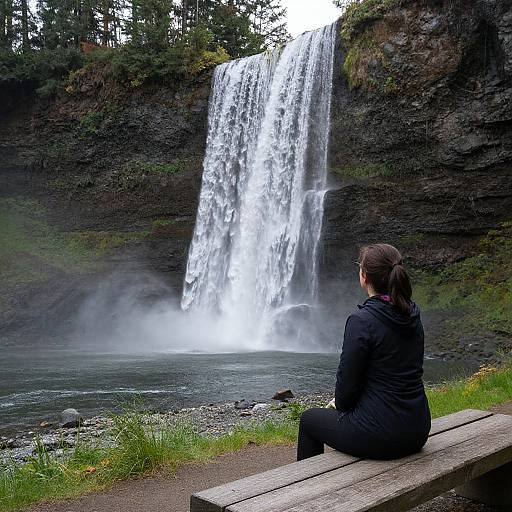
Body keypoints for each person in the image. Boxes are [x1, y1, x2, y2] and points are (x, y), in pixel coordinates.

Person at [297, 243, 431, 461]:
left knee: (309, 420)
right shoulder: (413, 314)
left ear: (364, 276)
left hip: (381, 437)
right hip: (417, 428)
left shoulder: (362, 321)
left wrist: (342, 406)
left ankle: (305, 492)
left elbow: (345, 393)